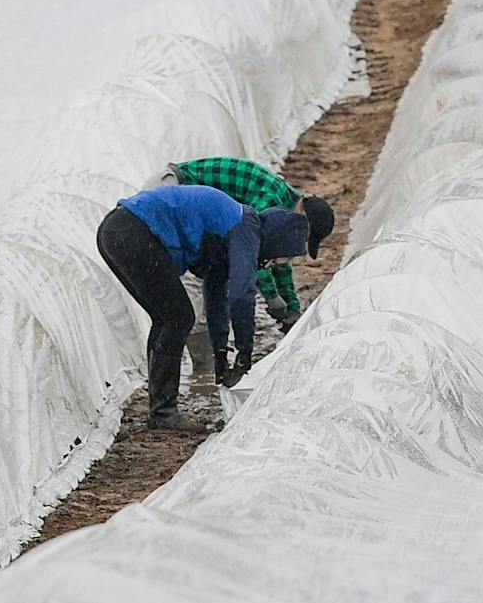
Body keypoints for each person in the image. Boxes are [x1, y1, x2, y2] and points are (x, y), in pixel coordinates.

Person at [96, 185, 311, 425]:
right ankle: (163, 412)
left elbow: (216, 292)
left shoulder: (230, 233)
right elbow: (242, 294)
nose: (276, 263)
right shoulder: (245, 229)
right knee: (177, 317)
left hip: (117, 230)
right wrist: (244, 352)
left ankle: (161, 409)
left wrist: (220, 351)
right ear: (277, 241)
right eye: (283, 257)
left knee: (168, 318)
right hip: (133, 231)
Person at [152, 158, 333, 333]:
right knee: (194, 284)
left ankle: (212, 353)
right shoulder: (271, 199)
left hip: (184, 201)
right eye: (305, 235)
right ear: (303, 216)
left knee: (211, 278)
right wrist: (272, 297)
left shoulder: (287, 208)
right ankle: (202, 360)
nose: (300, 240)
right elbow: (252, 251)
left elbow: (279, 259)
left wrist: (292, 307)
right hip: (170, 190)